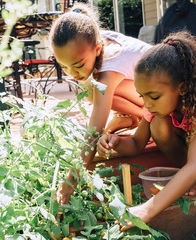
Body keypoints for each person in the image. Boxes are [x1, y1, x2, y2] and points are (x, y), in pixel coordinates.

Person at [97, 31, 196, 230]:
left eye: (153, 97)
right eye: (142, 96)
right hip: (191, 154)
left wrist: (147, 210)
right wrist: (116, 142)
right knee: (158, 124)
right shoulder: (153, 107)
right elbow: (137, 144)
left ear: (181, 88)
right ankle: (185, 177)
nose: (146, 104)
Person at [49, 3, 152, 204]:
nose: (72, 73)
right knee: (90, 89)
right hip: (142, 91)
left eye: (78, 65)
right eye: (64, 67)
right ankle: (131, 117)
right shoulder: (93, 39)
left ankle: (137, 116)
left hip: (166, 94)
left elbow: (95, 131)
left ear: (97, 49)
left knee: (95, 90)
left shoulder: (110, 65)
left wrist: (70, 182)